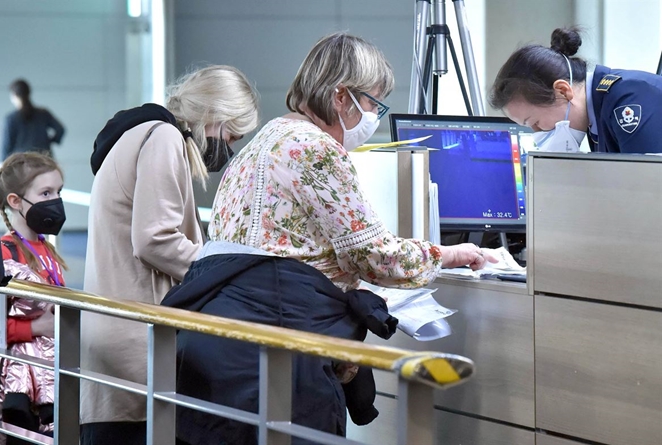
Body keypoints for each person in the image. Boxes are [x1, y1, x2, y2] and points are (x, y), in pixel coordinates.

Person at [166, 32, 496, 445]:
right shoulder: (315, 148)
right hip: (275, 350)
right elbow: (375, 258)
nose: (374, 114)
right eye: (373, 102)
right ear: (342, 97)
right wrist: (450, 254)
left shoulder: (262, 142)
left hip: (218, 348)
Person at [80, 65, 259, 445]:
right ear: (213, 116)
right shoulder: (163, 138)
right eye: (232, 135)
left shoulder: (140, 135)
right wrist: (223, 267)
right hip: (137, 334)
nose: (229, 148)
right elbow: (154, 239)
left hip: (115, 328)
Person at [489, 27, 662, 154]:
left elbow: (647, 193)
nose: (537, 132)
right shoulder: (597, 112)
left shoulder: (628, 100)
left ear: (563, 91)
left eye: (534, 122)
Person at [0, 152, 68, 440]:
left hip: (53, 373)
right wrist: (34, 328)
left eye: (58, 191)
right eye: (46, 192)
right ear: (15, 201)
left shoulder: (48, 251)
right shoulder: (5, 254)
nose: (55, 201)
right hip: (16, 391)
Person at [1, 79, 65, 162]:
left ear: (14, 95)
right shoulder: (43, 113)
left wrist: (2, 163)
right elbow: (60, 129)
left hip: (22, 161)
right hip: (44, 158)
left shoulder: (11, 118)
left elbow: (7, 145)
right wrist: (48, 141)